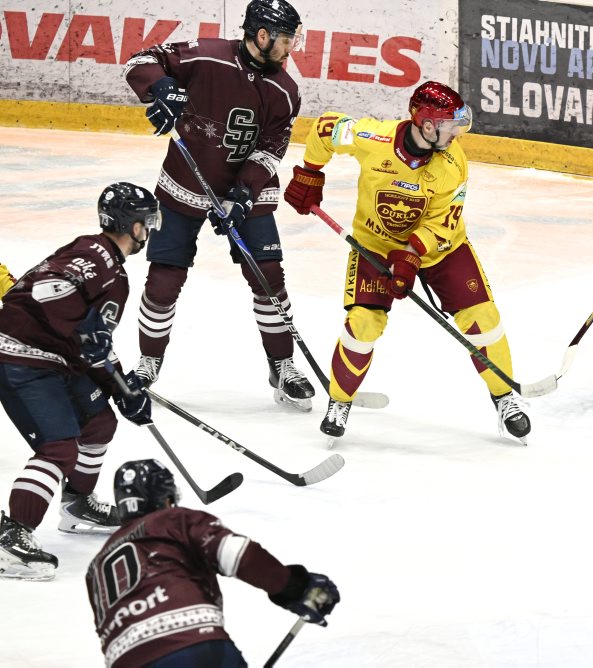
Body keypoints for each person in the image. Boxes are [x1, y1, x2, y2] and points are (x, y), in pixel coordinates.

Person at [283, 81, 531, 443]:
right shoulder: (373, 137)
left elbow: (444, 221)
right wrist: (310, 172)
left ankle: (505, 396)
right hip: (375, 245)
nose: (457, 134)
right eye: (450, 125)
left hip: (441, 248)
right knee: (363, 323)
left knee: (483, 318)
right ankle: (339, 401)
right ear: (427, 125)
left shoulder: (453, 162)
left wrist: (412, 255)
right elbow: (325, 128)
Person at [123, 0, 316, 410]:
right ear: (262, 36)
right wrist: (160, 86)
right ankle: (147, 362)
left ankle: (282, 365)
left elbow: (270, 149)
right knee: (164, 279)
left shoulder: (286, 90)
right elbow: (142, 59)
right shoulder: (206, 56)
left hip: (248, 193)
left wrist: (245, 192)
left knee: (268, 278)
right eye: (287, 39)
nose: (291, 48)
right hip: (184, 183)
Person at [0, 183, 159, 581]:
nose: (150, 230)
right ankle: (11, 537)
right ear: (131, 224)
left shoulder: (111, 268)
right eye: (147, 222)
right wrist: (87, 331)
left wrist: (122, 386)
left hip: (54, 359)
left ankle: (77, 505)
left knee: (100, 422)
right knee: (59, 446)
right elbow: (48, 290)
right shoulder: (96, 253)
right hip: (21, 354)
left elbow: (92, 344)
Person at [86, 459, 339, 667]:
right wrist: (296, 588)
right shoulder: (174, 520)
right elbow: (239, 554)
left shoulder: (96, 566)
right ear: (164, 500)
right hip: (194, 646)